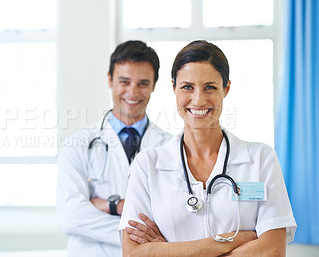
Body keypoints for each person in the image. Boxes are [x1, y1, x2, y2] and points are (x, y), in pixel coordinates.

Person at [119, 40, 297, 256]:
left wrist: (169, 250)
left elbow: (272, 250)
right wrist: (234, 240)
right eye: (187, 87)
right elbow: (132, 253)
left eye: (210, 87)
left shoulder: (260, 159)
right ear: (173, 88)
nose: (199, 99)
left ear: (226, 89)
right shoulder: (147, 165)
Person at [57, 40, 172, 257]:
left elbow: (175, 218)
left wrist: (109, 206)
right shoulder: (77, 145)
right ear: (110, 80)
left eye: (143, 83)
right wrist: (140, 235)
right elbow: (71, 218)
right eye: (124, 81)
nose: (133, 92)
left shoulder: (171, 148)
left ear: (154, 85)